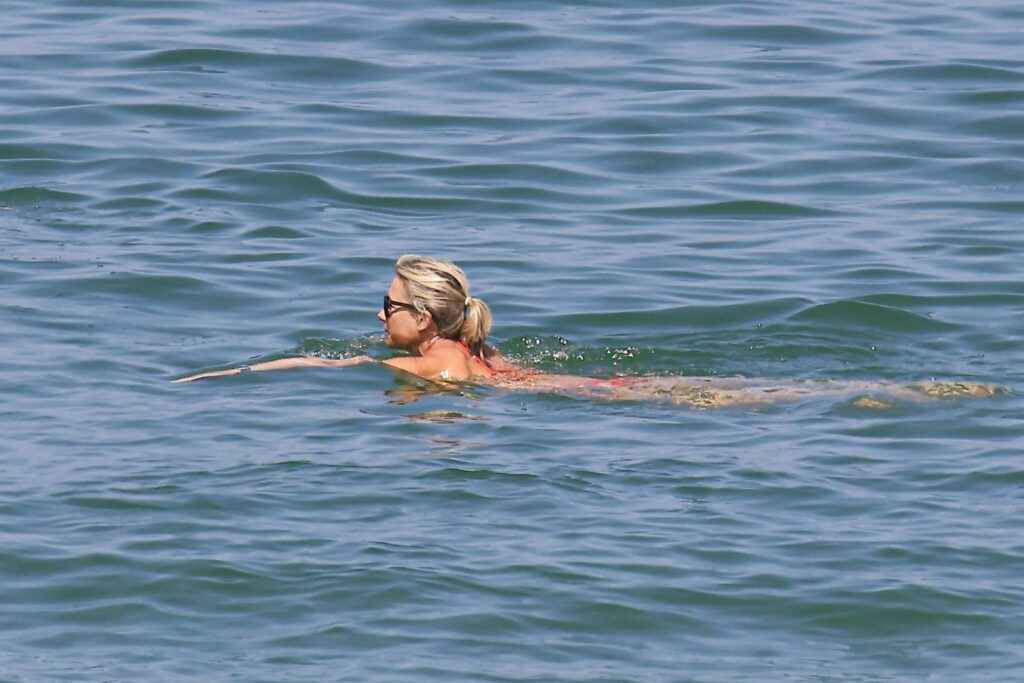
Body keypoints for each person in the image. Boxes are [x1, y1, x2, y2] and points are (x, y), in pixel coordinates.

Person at [174, 255, 1002, 408]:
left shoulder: (439, 372)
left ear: (422, 319)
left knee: (760, 398)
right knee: (756, 391)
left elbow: (328, 365)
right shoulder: (466, 348)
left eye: (385, 303)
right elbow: (337, 358)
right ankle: (899, 390)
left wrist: (233, 374)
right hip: (601, 386)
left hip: (605, 398)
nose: (375, 314)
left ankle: (889, 393)